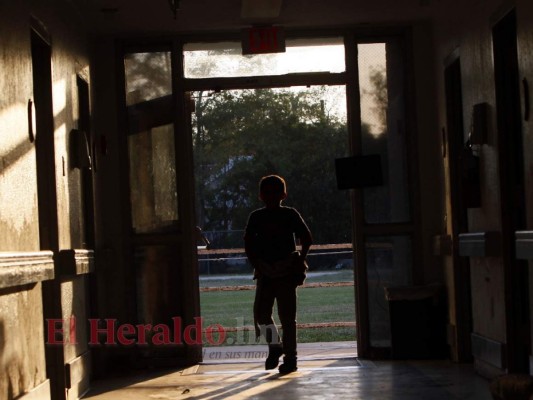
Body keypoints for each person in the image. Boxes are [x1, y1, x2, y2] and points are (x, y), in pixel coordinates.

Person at [244, 174, 312, 374]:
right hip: (284, 270)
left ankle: (281, 350)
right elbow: (306, 237)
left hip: (269, 270)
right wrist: (300, 258)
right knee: (282, 317)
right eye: (269, 192)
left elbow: (248, 242)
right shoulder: (289, 214)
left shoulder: (257, 217)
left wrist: (257, 263)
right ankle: (285, 355)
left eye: (274, 192)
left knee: (266, 314)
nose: (272, 196)